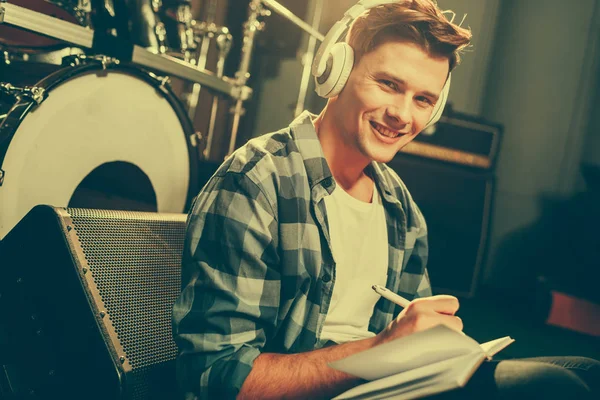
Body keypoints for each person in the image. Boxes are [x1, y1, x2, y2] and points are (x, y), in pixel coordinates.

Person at [172, 1, 600, 399]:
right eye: (388, 84)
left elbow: (410, 347)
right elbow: (220, 375)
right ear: (335, 72)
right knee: (551, 385)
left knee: (584, 369)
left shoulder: (399, 205)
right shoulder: (256, 182)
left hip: (386, 386)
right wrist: (384, 350)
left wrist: (430, 343)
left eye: (423, 99)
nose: (402, 114)